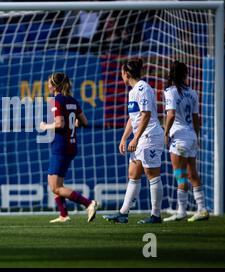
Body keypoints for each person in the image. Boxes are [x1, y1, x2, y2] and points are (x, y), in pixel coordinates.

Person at [104, 58, 164, 224]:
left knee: (152, 175)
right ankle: (123, 214)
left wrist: (136, 139)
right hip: (141, 137)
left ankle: (156, 215)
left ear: (127, 74)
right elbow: (134, 118)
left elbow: (146, 115)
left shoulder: (143, 88)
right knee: (133, 174)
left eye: (122, 73)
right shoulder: (132, 92)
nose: (121, 76)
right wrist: (124, 138)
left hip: (150, 136)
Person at [39, 72, 98, 224]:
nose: (48, 86)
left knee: (55, 187)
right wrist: (74, 123)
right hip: (71, 145)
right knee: (55, 182)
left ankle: (88, 203)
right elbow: (84, 122)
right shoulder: (72, 100)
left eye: (49, 83)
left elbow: (59, 124)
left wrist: (46, 126)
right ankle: (64, 214)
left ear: (55, 86)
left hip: (61, 146)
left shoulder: (55, 101)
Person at [163, 61, 209, 222]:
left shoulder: (170, 92)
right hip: (190, 136)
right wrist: (196, 137)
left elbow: (171, 115)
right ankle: (202, 209)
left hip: (179, 138)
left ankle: (181, 211)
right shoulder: (193, 93)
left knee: (180, 174)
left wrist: (166, 132)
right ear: (184, 74)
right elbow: (196, 118)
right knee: (192, 173)